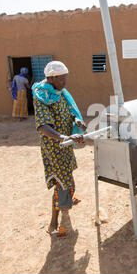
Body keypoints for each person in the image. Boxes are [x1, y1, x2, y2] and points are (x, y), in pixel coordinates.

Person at [32, 61, 87, 238]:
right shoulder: (42, 96)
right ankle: (53, 225)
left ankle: (67, 199)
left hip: (65, 144)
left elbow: (69, 111)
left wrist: (76, 121)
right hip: (54, 146)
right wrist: (64, 137)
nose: (65, 83)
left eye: (65, 78)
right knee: (61, 182)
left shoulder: (59, 92)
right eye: (62, 79)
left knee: (67, 173)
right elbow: (42, 126)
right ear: (52, 78)